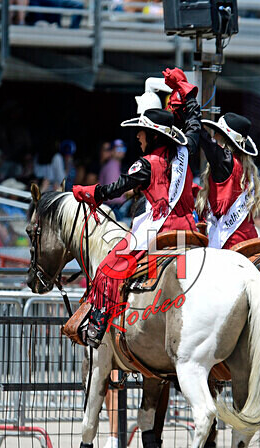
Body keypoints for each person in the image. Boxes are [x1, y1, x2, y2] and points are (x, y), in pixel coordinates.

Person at [66, 67, 200, 348]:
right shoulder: (183, 154)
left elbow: (112, 190)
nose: (138, 137)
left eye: (141, 132)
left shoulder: (147, 164)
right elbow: (194, 125)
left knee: (108, 268)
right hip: (189, 226)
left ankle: (97, 328)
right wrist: (186, 92)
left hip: (160, 227)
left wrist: (85, 192)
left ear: (153, 135)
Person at [194, 111, 260, 250]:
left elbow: (207, 143)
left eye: (218, 133)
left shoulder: (226, 162)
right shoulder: (246, 169)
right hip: (250, 239)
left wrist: (190, 114)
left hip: (230, 242)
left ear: (225, 139)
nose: (214, 136)